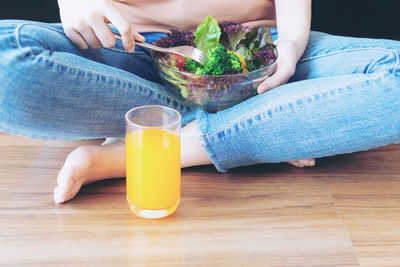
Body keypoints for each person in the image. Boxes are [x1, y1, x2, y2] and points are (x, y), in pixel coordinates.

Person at [0, 0, 399, 204]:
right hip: (135, 50)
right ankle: (270, 128)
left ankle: (147, 150)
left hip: (260, 55)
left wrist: (290, 49)